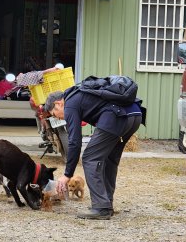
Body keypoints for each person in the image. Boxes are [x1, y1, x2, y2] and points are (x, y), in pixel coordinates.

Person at [43, 78, 144, 220]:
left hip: (117, 116)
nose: (58, 118)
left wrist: (67, 174)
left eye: (55, 114)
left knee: (90, 158)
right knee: (109, 159)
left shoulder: (70, 103)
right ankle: (106, 203)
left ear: (58, 103)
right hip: (135, 115)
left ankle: (101, 207)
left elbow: (74, 141)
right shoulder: (80, 94)